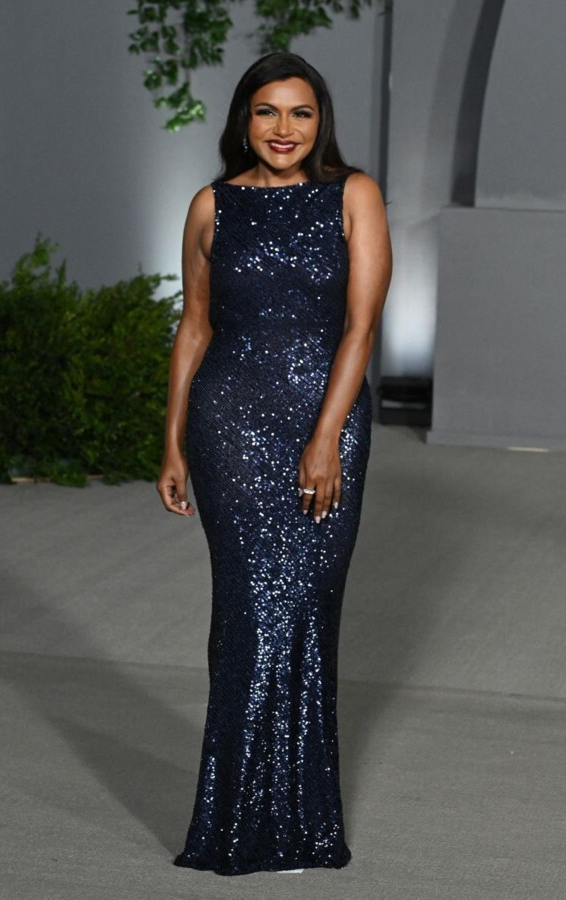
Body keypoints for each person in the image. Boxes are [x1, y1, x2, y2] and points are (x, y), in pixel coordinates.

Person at [157, 51, 392, 876]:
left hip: (329, 419)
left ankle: (297, 819)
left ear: (320, 121)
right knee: (246, 613)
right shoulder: (211, 205)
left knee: (307, 610)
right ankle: (238, 822)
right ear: (244, 120)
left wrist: (325, 436)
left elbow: (362, 327)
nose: (283, 128)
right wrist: (172, 441)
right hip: (228, 424)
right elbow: (194, 327)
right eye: (267, 111)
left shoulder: (354, 195)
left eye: (300, 112)